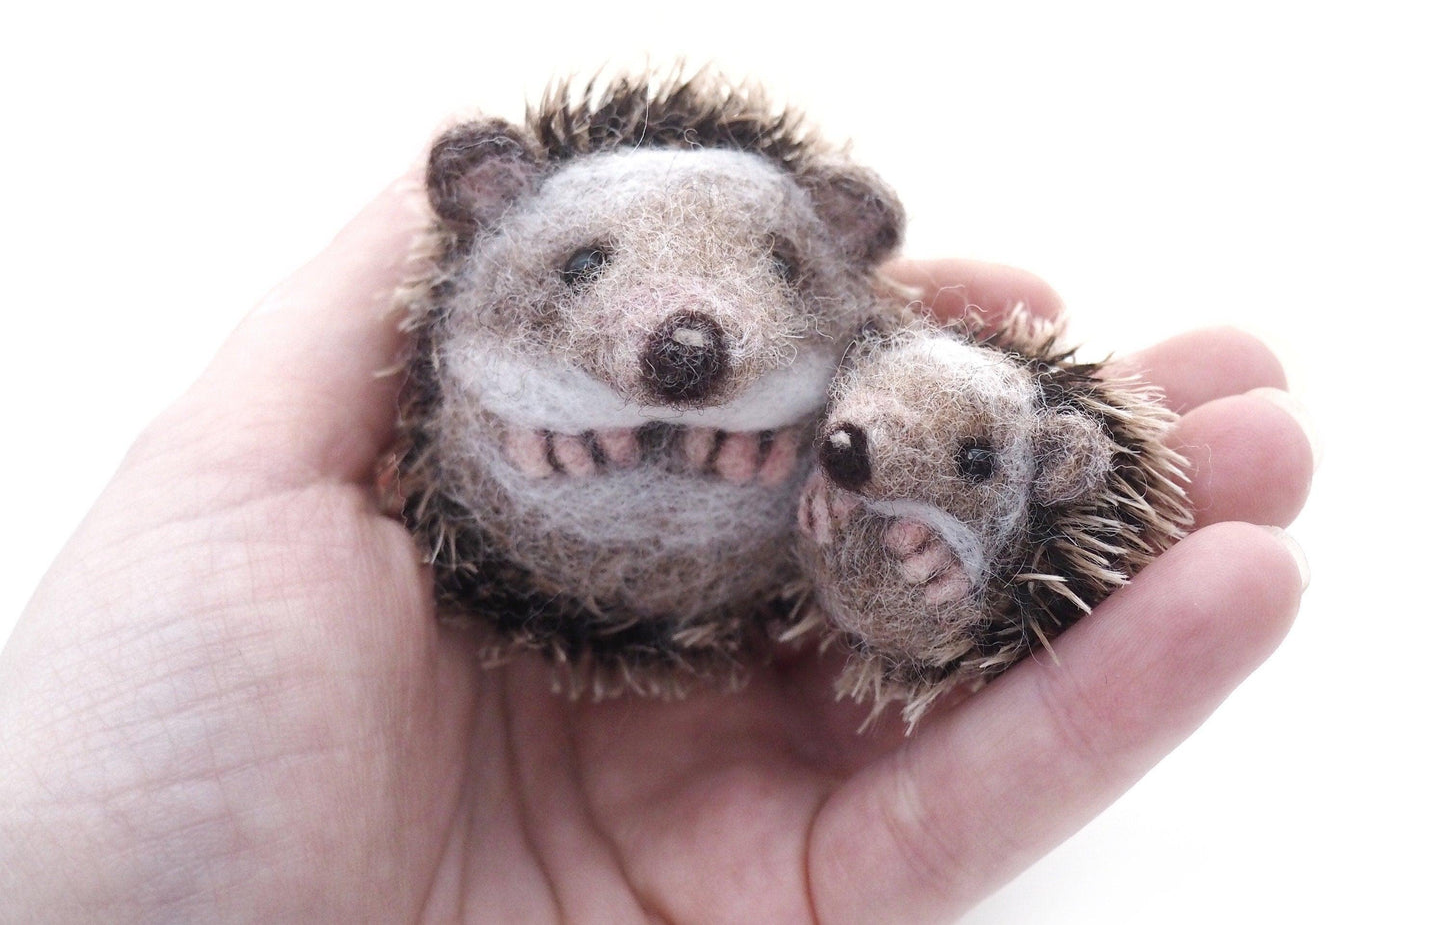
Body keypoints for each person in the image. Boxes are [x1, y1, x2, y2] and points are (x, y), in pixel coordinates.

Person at [0, 168, 1313, 922]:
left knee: (942, 464)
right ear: (489, 205)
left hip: (798, 577)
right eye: (577, 267)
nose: (682, 348)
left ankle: (929, 576)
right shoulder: (495, 339)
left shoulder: (853, 386)